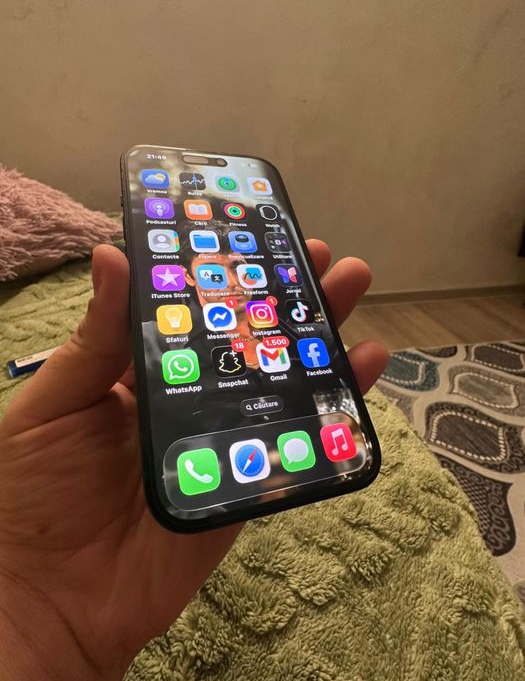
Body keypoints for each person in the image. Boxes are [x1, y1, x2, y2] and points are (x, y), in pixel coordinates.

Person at [0, 242, 388, 680]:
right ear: (188, 278)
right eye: (213, 271)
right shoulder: (166, 337)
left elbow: (326, 394)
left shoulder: (289, 331)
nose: (230, 281)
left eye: (237, 267)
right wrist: (29, 594)